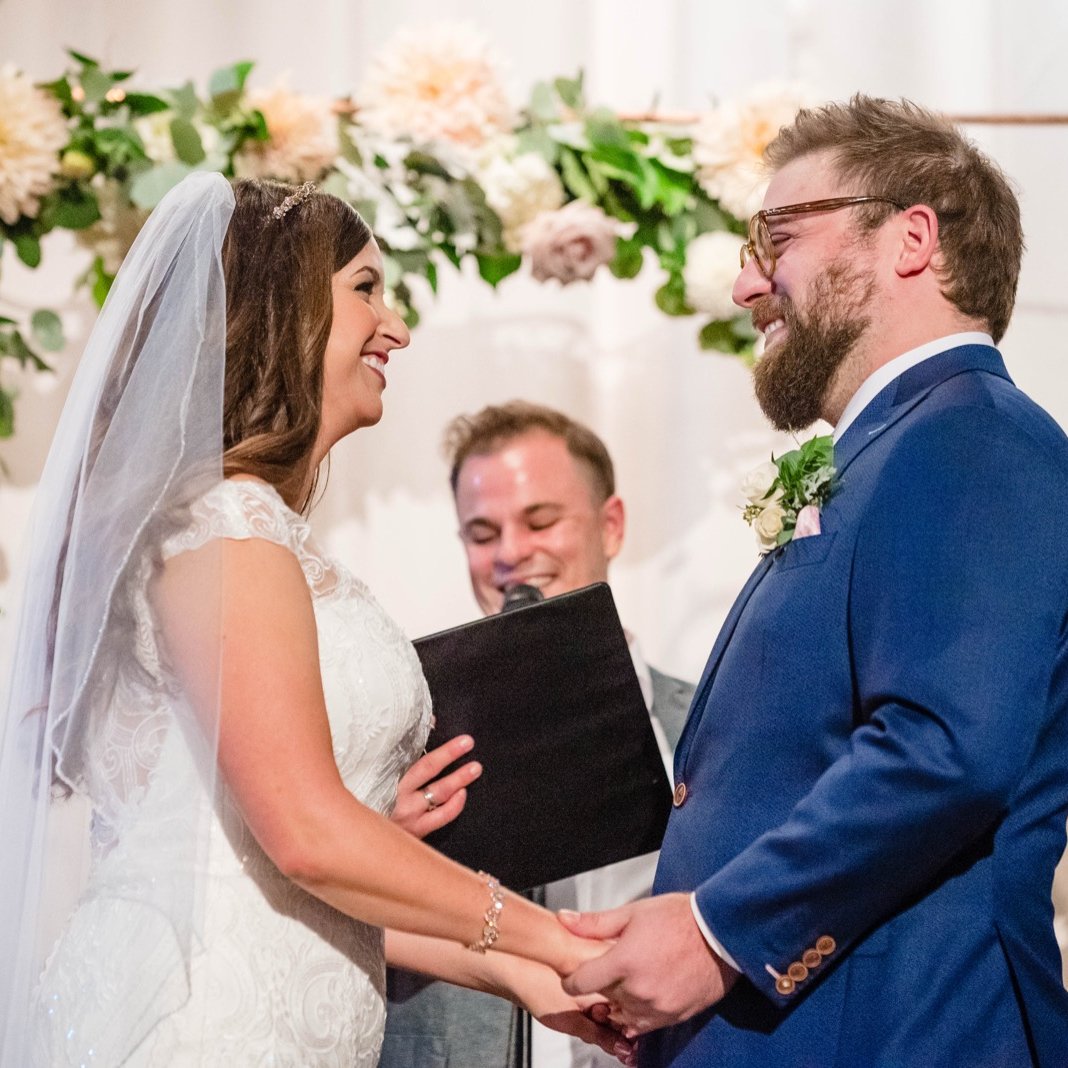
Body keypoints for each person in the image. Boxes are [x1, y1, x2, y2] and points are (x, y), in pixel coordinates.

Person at [0, 174, 630, 1066]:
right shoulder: (221, 524)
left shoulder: (249, 530)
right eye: (366, 288)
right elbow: (305, 836)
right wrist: (552, 938)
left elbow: (267, 873)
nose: (397, 325)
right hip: (203, 1028)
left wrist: (529, 979)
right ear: (281, 309)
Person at [559, 95, 1068, 1066]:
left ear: (910, 238)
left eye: (776, 236)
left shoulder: (973, 436)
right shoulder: (890, 451)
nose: (749, 281)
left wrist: (715, 936)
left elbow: (945, 748)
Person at [381, 402, 695, 1068]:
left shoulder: (707, 721)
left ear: (611, 525)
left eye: (541, 520)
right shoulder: (404, 743)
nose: (512, 554)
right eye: (483, 532)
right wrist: (385, 838)